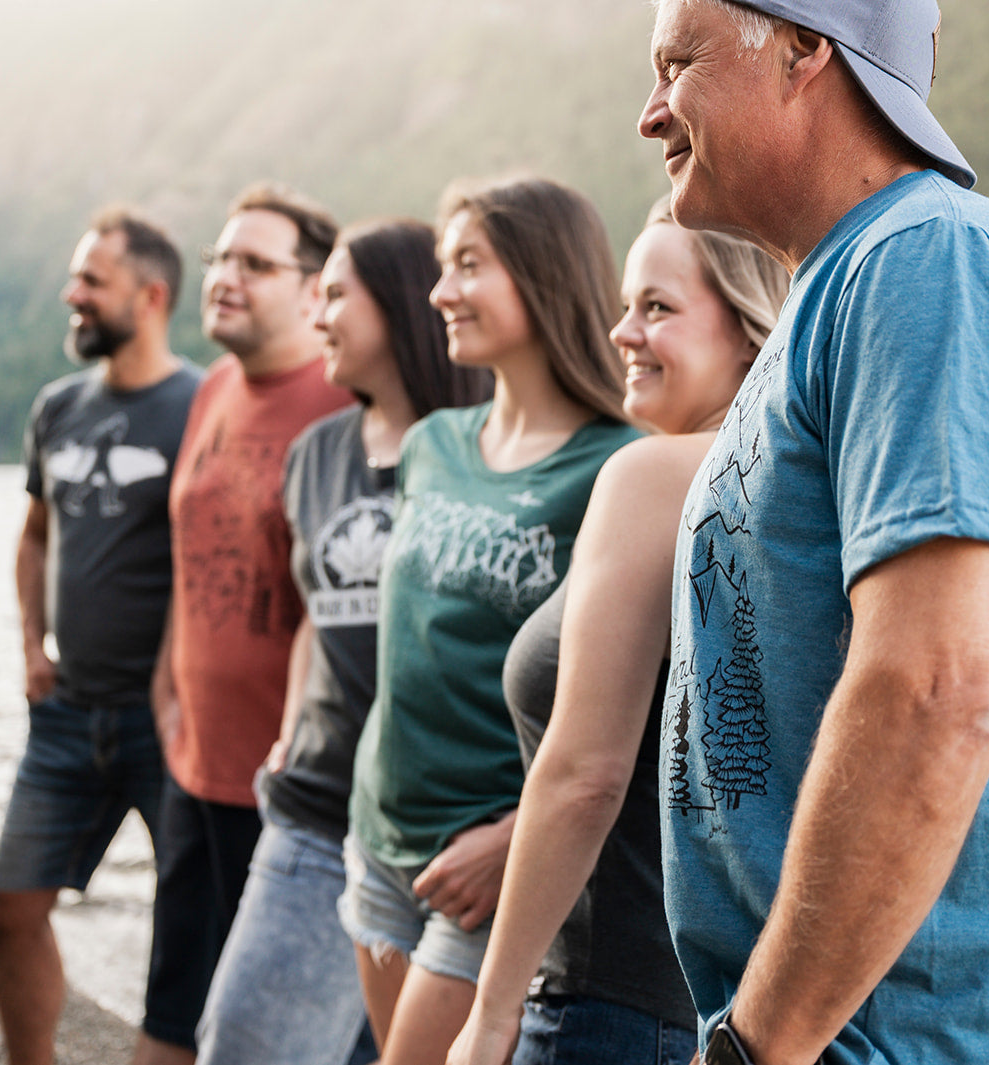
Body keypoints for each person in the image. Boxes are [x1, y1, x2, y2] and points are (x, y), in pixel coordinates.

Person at [637, 2, 989, 1063]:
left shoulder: (937, 262)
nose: (648, 114)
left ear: (807, 50)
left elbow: (939, 689)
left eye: (677, 63)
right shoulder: (842, 287)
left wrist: (759, 1047)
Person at [447, 196, 789, 1065]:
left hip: (604, 1009)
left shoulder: (652, 478)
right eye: (626, 306)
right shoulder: (797, 495)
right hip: (724, 1010)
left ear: (750, 330)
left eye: (658, 308)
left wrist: (489, 1018)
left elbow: (587, 776)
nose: (622, 334)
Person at [340, 176, 642, 1065]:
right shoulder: (432, 443)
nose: (441, 292)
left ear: (543, 276)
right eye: (442, 266)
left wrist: (515, 835)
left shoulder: (619, 468)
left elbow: (635, 707)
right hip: (379, 838)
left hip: (486, 868)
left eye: (469, 264)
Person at [194, 219, 493, 1065]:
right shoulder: (315, 453)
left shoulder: (480, 446)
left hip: (445, 826)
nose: (318, 316)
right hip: (318, 810)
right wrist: (293, 729)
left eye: (334, 296)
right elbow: (311, 615)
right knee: (244, 1042)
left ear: (396, 306)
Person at [0, 206, 201, 1065]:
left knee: (186, 924)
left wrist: (184, 678)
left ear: (150, 296)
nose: (72, 294)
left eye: (91, 280)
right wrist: (32, 644)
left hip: (169, 723)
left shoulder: (201, 403)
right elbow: (36, 535)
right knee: (6, 904)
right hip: (68, 710)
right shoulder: (58, 407)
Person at [145, 182, 353, 1064]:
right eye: (218, 259)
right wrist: (165, 684)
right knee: (168, 1023)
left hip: (291, 796)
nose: (225, 277)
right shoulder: (216, 386)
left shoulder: (345, 404)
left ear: (315, 289)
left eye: (253, 263)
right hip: (194, 768)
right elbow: (192, 550)